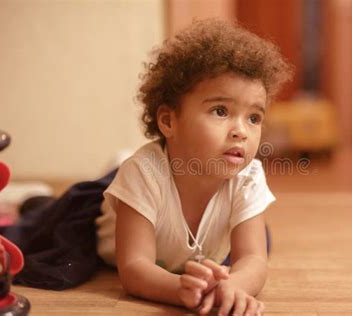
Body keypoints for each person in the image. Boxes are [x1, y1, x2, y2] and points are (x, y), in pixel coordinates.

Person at [95, 19, 292, 315]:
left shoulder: (248, 177)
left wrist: (233, 287)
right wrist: (178, 290)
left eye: (254, 118)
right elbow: (134, 267)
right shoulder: (142, 174)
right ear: (168, 121)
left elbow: (254, 259)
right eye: (221, 111)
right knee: (92, 187)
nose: (242, 131)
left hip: (186, 255)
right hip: (109, 214)